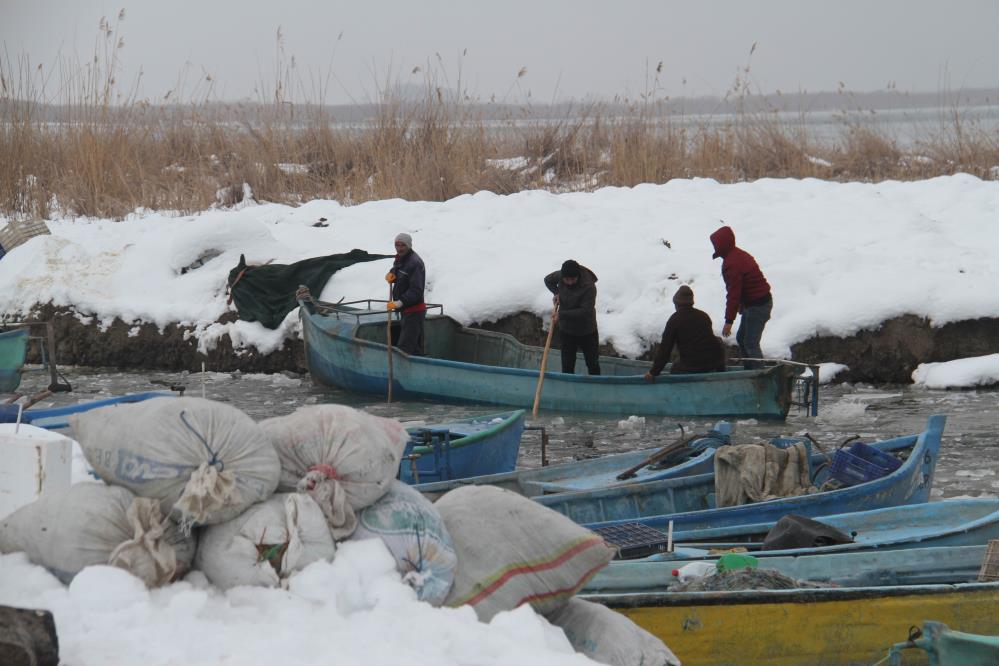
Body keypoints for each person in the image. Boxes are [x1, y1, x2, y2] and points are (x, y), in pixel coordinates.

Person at [709, 224, 772, 367]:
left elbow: (734, 293)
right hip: (757, 303)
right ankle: (750, 370)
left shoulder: (732, 263)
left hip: (758, 305)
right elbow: (743, 288)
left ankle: (760, 377)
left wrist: (729, 321)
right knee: (741, 338)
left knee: (750, 342)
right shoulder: (738, 254)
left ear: (722, 245)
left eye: (715, 245)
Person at [644, 285, 726, 381]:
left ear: (676, 303)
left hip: (693, 366)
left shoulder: (674, 320)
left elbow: (665, 350)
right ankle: (720, 375)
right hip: (714, 364)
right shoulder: (704, 316)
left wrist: (653, 372)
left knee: (675, 368)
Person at [544, 259, 601, 375]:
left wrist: (561, 314)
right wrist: (556, 292)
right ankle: (567, 390)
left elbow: (585, 311)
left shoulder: (589, 286)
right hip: (567, 330)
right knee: (567, 364)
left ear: (578, 276)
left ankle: (596, 387)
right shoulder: (560, 275)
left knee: (592, 363)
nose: (569, 282)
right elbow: (548, 280)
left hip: (587, 330)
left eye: (573, 279)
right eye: (566, 280)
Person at [385, 232, 427, 355]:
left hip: (414, 312)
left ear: (408, 245)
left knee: (405, 348)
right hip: (406, 310)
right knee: (412, 347)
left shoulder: (415, 263)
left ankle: (404, 372)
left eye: (402, 245)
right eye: (397, 245)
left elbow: (416, 291)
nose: (399, 248)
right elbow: (398, 270)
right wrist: (392, 274)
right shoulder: (400, 258)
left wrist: (399, 302)